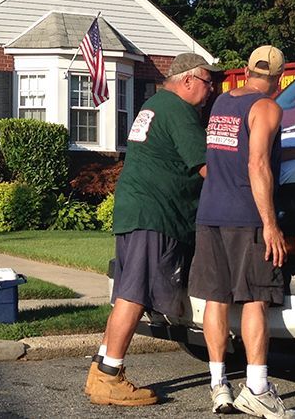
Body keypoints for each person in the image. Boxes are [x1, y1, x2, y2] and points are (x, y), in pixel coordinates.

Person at [189, 45, 295, 417]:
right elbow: (258, 162)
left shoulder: (222, 104)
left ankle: (219, 386)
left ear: (248, 71)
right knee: (255, 300)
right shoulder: (267, 107)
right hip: (244, 216)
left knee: (216, 299)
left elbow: (243, 152)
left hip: (210, 213)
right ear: (280, 79)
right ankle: (258, 389)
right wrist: (270, 224)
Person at [86, 52, 220, 407]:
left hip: (135, 209)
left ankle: (101, 368)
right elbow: (205, 166)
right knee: (135, 294)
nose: (211, 91)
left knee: (128, 291)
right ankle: (110, 377)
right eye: (208, 83)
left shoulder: (155, 104)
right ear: (188, 80)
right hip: (155, 214)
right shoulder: (178, 110)